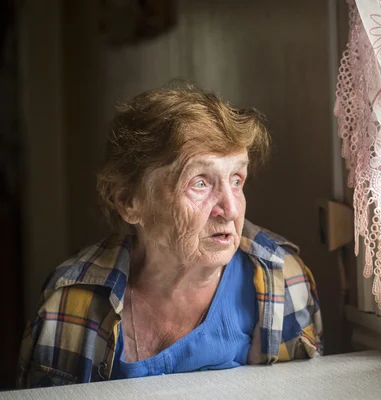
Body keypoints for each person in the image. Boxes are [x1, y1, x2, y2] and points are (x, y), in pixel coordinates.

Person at [17, 84, 323, 388]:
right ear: (129, 201)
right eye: (200, 183)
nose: (230, 209)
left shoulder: (282, 280)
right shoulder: (70, 300)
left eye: (236, 180)